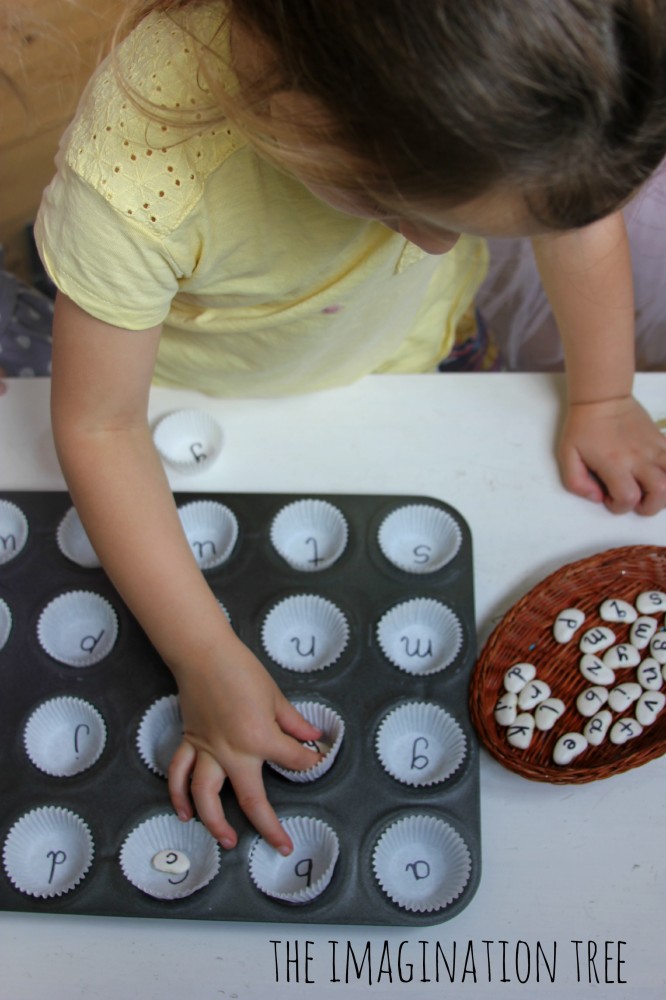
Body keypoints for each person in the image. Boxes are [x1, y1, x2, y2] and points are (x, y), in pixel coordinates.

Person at [34, 0, 666, 855]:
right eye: (406, 209)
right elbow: (100, 426)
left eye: (476, 228)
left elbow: (578, 224)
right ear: (297, 114)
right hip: (192, 390)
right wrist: (204, 655)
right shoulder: (137, 183)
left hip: (408, 354)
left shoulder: (533, 110)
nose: (441, 250)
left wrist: (601, 396)